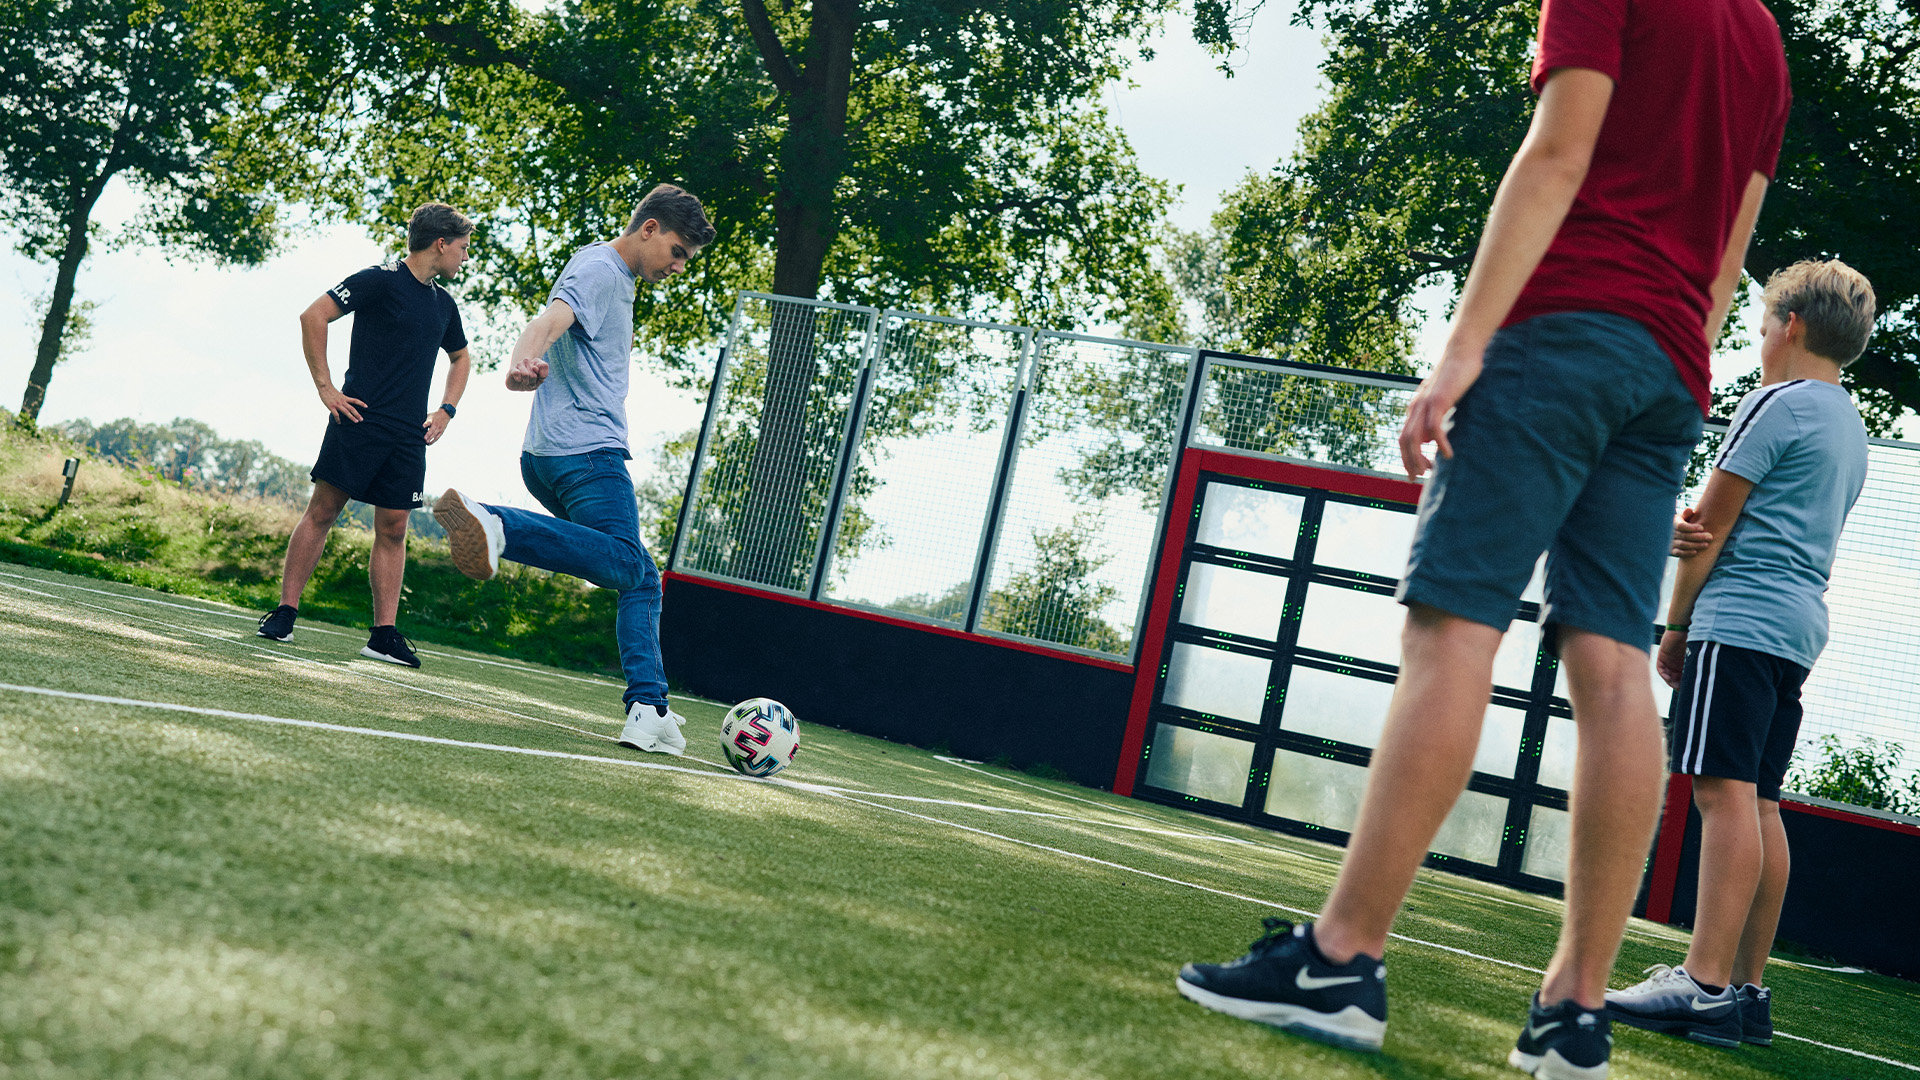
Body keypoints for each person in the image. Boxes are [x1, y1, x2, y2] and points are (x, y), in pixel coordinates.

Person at [1173, 1, 1791, 1076]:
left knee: (1453, 628)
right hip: (1667, 370)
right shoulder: (1761, 37)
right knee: (1608, 664)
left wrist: (1461, 353)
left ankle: (1340, 960)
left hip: (1563, 330)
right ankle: (1575, 1015)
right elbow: (1730, 253)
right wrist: (1669, 369)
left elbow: (1558, 154)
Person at [1603, 260, 1874, 1049]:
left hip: (1739, 620)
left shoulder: (1775, 403)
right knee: (1758, 802)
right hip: (1795, 629)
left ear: (1790, 326)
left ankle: (1703, 982)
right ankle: (1746, 993)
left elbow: (1708, 526)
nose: (1758, 343)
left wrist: (1676, 624)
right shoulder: (1849, 424)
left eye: (1760, 327)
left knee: (1722, 797)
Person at [433, 184, 715, 753]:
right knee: (627, 563)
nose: (679, 266)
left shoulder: (611, 273)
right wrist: (521, 364)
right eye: (678, 252)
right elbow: (547, 321)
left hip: (548, 455)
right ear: (650, 228)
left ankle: (649, 707)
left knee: (638, 574)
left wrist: (528, 366)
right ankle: (495, 524)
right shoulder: (602, 269)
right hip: (587, 453)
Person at [256, 202, 474, 668]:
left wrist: (447, 410)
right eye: (463, 248)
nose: (465, 258)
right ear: (441, 243)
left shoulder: (444, 304)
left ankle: (383, 635)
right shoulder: (378, 279)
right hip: (358, 419)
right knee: (324, 511)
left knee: (394, 528)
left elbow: (461, 358)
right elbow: (313, 316)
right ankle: (285, 613)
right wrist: (326, 388)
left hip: (408, 434)